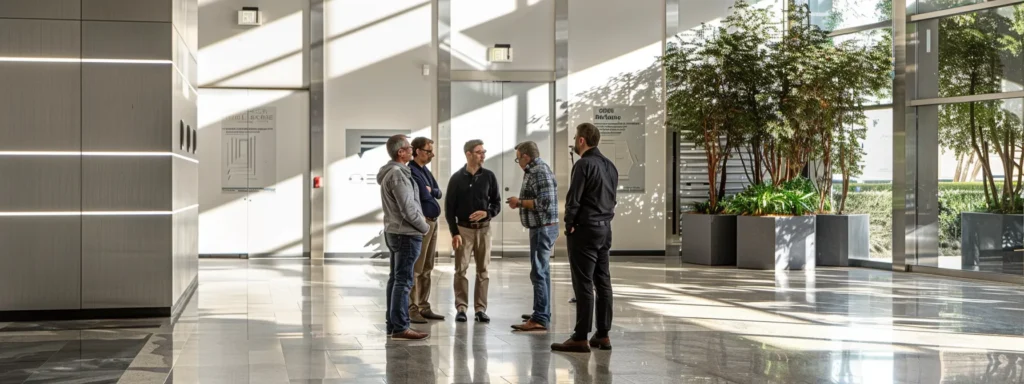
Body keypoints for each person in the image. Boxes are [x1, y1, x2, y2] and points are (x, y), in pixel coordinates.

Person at [551, 123, 618, 353]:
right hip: (605, 229)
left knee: (583, 284)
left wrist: (569, 225)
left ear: (582, 140)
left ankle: (580, 336)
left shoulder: (583, 165)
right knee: (603, 282)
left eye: (575, 137)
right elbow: (612, 199)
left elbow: (574, 199)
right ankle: (603, 335)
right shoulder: (610, 166)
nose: (574, 141)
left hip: (585, 230)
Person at [378, 134, 430, 341]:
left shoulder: (393, 172)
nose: (412, 151)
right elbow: (408, 209)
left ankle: (394, 324)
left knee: (397, 279)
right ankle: (400, 327)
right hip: (406, 233)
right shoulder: (398, 175)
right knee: (403, 281)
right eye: (409, 148)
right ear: (400, 152)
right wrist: (424, 226)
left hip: (397, 232)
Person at [445, 139, 501, 323]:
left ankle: (480, 309)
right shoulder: (456, 178)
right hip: (463, 230)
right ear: (468, 154)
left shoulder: (489, 177)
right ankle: (461, 308)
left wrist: (487, 212)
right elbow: (449, 209)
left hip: (484, 230)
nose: (483, 155)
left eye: (483, 151)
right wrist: (455, 233)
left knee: (483, 270)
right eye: (479, 152)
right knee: (460, 269)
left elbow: (497, 203)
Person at [507, 141, 559, 332]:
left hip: (542, 228)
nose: (518, 161)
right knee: (542, 271)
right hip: (542, 227)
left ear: (526, 157)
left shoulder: (538, 171)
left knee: (539, 272)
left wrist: (519, 202)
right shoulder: (538, 169)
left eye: (518, 158)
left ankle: (540, 317)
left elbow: (544, 203)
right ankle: (542, 311)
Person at [407, 137, 446, 324]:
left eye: (431, 151)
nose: (432, 154)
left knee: (428, 266)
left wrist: (432, 191)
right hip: (422, 223)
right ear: (416, 151)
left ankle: (423, 305)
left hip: (433, 222)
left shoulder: (424, 170)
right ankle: (412, 308)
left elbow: (437, 191)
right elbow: (424, 193)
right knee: (417, 267)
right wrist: (430, 191)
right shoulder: (412, 171)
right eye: (428, 151)